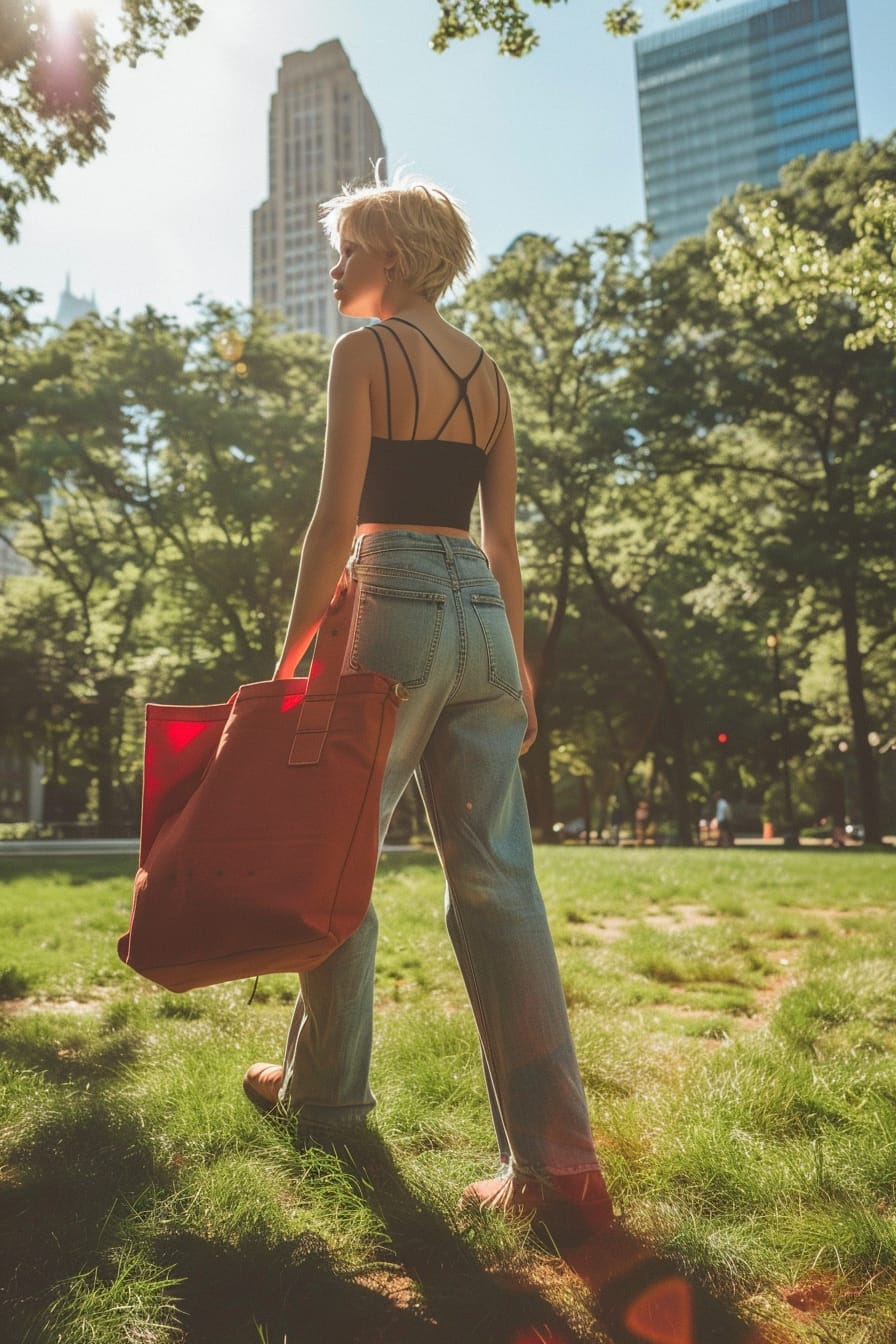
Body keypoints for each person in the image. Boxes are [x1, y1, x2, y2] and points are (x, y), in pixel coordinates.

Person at [242, 171, 614, 1243]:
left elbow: (331, 522)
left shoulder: (363, 353)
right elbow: (501, 543)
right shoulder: (488, 374)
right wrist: (520, 669)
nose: (335, 269)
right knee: (499, 888)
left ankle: (325, 1099)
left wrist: (291, 652)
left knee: (337, 855)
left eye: (349, 249)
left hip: (392, 600)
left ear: (394, 258)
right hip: (483, 624)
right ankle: (556, 1167)